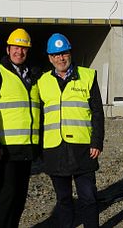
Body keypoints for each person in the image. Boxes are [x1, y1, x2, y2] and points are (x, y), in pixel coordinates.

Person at [37, 33, 104, 228]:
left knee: (89, 198)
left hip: (83, 150)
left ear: (70, 54)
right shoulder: (42, 81)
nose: (61, 58)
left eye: (64, 53)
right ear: (50, 58)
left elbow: (98, 112)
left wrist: (97, 141)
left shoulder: (88, 76)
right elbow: (39, 117)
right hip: (54, 149)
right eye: (56, 55)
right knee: (63, 201)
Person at [0, 28, 42, 228]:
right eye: (16, 47)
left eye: (24, 48)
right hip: (6, 149)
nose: (20, 52)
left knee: (19, 198)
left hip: (27, 148)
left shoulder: (33, 75)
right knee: (6, 197)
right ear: (8, 49)